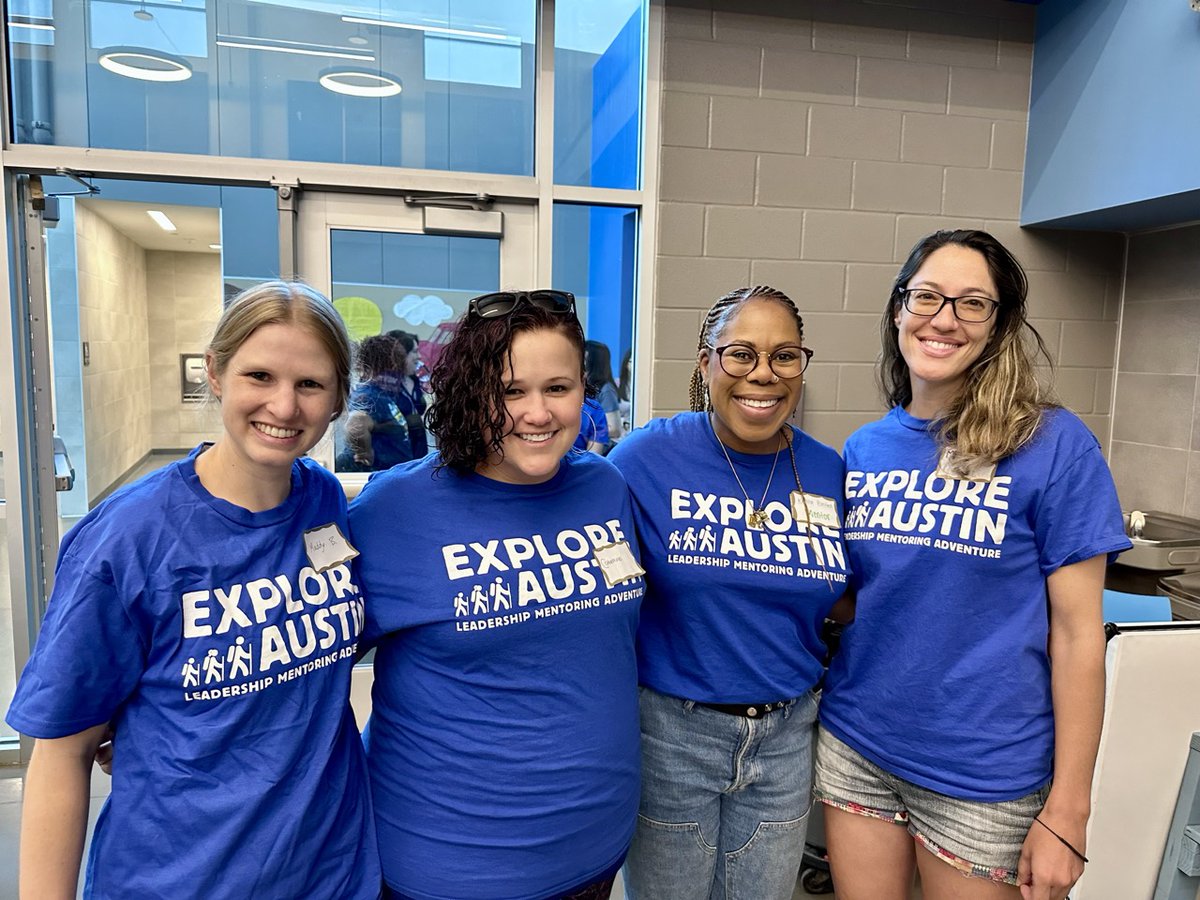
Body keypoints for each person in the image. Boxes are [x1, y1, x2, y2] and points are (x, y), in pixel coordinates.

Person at [7, 281, 381, 899]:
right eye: (259, 376)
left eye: (310, 384)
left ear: (339, 396)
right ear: (215, 371)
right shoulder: (130, 538)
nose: (284, 407)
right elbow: (61, 753)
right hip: (178, 877)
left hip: (328, 873)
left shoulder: (322, 500)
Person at [814, 230, 1131, 900]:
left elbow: (1078, 637)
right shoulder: (865, 449)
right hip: (856, 744)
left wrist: (1069, 811)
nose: (943, 319)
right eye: (926, 296)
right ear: (899, 309)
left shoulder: (1053, 445)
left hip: (984, 776)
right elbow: (862, 599)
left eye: (971, 304)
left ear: (1001, 325)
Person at [349, 289, 646, 900]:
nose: (537, 413)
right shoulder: (394, 508)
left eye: (557, 388)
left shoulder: (605, 487)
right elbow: (304, 661)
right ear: (469, 394)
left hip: (593, 847)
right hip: (447, 863)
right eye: (510, 391)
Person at [609, 285, 850, 900]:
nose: (763, 374)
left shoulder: (828, 470)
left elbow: (845, 595)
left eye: (785, 356)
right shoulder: (644, 459)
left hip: (787, 735)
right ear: (705, 361)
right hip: (672, 734)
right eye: (740, 353)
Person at [339, 332, 413, 471]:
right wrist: (364, 453)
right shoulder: (369, 395)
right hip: (371, 477)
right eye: (400, 359)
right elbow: (355, 426)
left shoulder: (382, 393)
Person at [386, 329, 430, 458]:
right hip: (398, 456)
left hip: (418, 453)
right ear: (400, 355)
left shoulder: (413, 380)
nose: (419, 357)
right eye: (414, 352)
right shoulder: (385, 387)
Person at [585, 339, 624, 446]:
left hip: (598, 448)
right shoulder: (577, 386)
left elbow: (614, 428)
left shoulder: (605, 390)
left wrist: (585, 431)